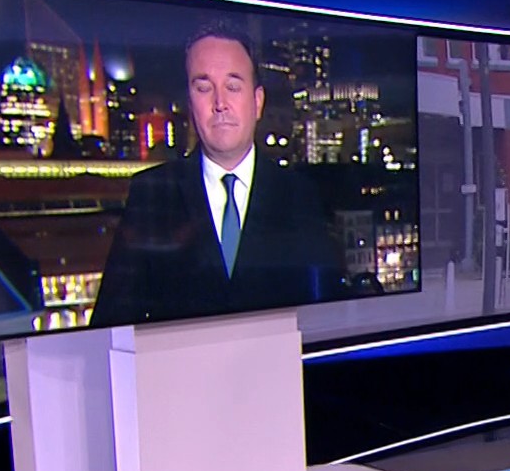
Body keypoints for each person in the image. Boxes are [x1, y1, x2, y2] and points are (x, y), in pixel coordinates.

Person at [88, 22, 348, 328]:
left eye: (233, 87)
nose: (220, 104)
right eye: (204, 88)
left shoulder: (302, 195)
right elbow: (110, 325)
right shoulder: (152, 192)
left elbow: (329, 321)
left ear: (257, 102)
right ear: (190, 103)